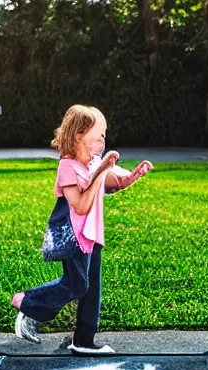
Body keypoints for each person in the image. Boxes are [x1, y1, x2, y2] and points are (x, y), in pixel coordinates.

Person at [12, 104, 153, 354]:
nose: (103, 140)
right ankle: (28, 303)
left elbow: (115, 182)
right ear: (79, 135)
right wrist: (100, 171)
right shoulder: (68, 166)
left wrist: (133, 176)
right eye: (98, 135)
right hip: (74, 237)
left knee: (91, 289)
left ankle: (84, 340)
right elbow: (78, 205)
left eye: (103, 135)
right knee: (77, 285)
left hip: (93, 236)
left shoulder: (94, 163)